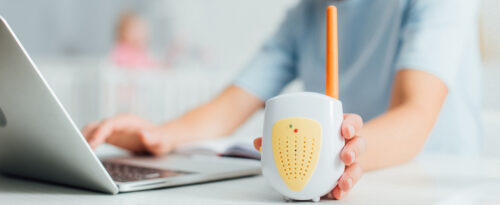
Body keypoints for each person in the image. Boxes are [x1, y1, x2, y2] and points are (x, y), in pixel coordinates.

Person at [83, 0, 481, 200]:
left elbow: (414, 114)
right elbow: (231, 105)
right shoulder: (306, 15)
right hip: (338, 180)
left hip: (435, 185)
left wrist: (337, 159)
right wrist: (161, 135)